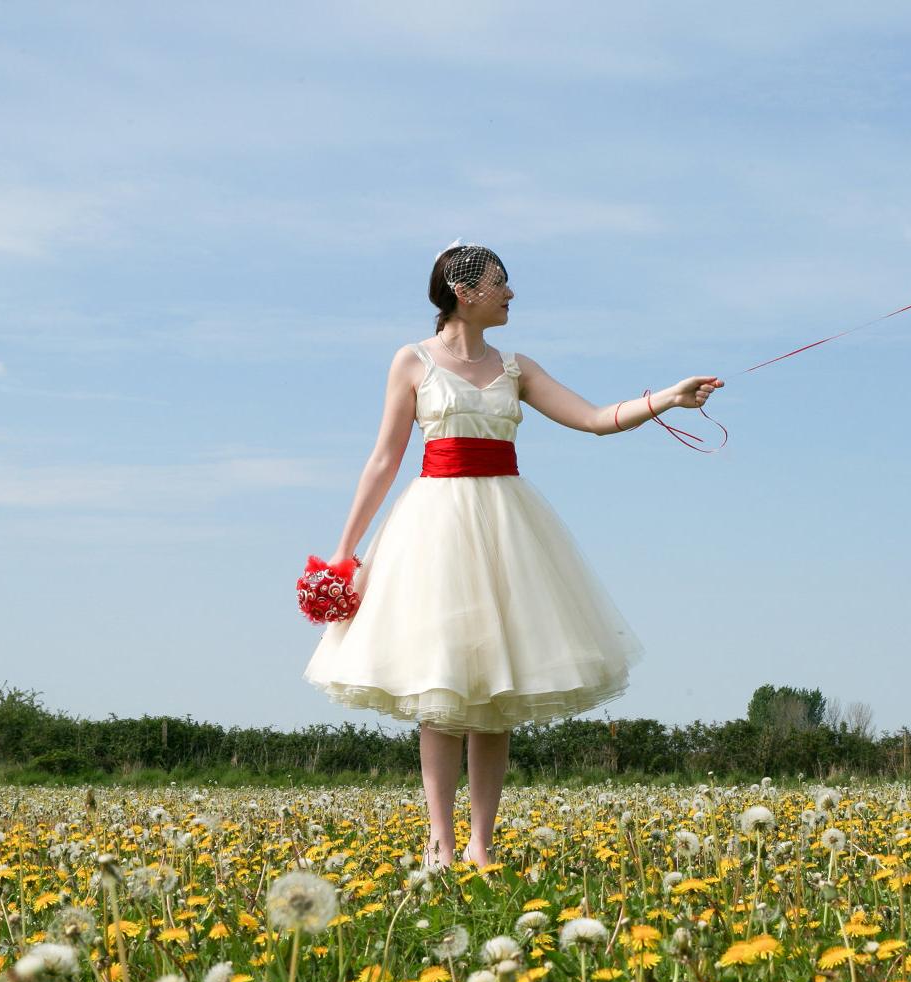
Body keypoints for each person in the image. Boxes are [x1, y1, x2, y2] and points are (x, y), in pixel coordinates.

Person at [303, 240, 722, 869]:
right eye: (501, 283)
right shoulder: (413, 362)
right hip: (434, 529)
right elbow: (385, 458)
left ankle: (482, 844)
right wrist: (344, 550)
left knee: (494, 699)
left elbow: (595, 418)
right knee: (439, 685)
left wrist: (667, 396)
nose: (511, 293)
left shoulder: (516, 366)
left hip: (508, 529)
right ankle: (440, 843)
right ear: (464, 292)